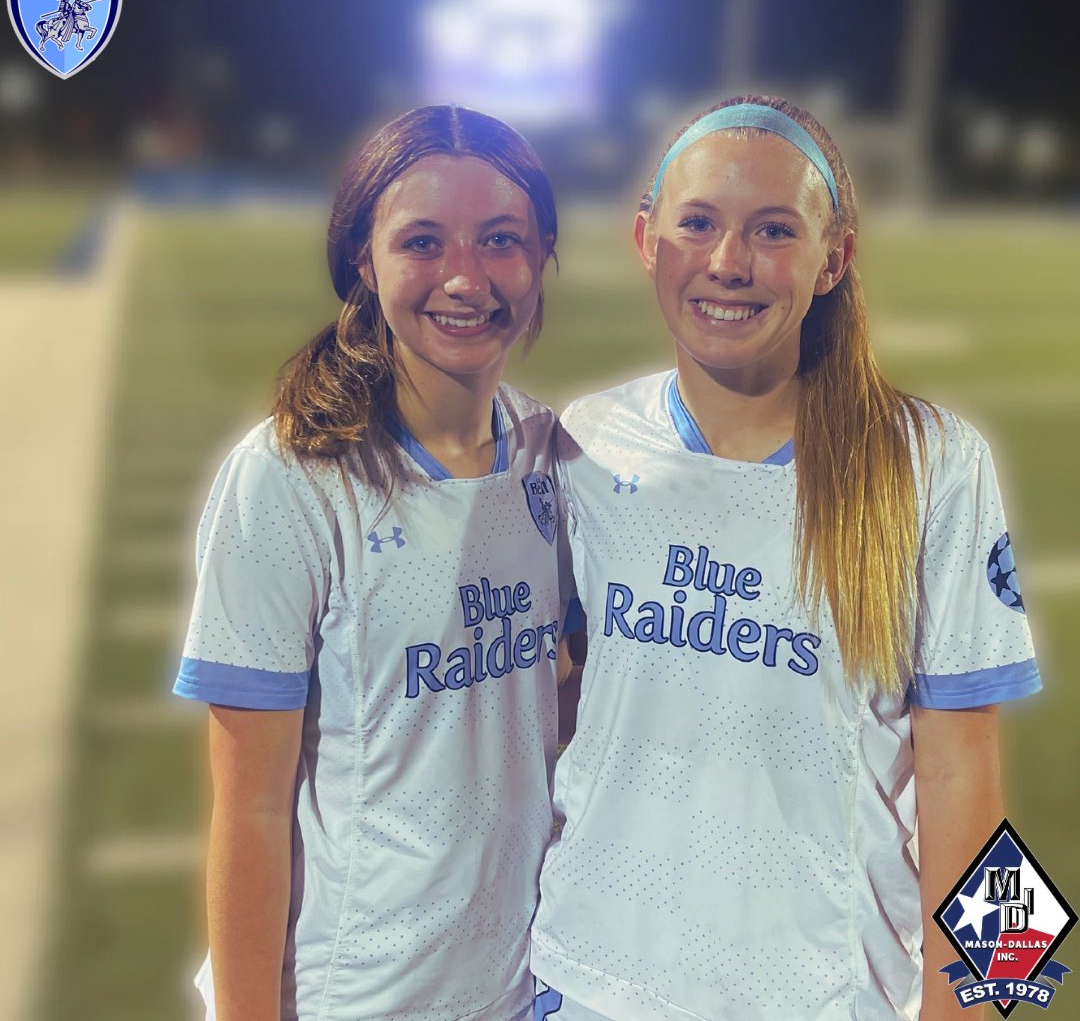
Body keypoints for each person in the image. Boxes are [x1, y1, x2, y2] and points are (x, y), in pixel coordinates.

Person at [529, 95, 1041, 1020]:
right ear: (647, 238)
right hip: (596, 977)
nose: (728, 262)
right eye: (698, 223)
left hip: (830, 994)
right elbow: (560, 703)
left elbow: (965, 766)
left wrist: (994, 1000)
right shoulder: (585, 443)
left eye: (774, 230)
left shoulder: (930, 460)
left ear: (834, 257)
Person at [173, 104, 568, 1020]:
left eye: (501, 240)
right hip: (359, 995)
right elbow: (250, 812)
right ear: (364, 259)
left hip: (520, 990)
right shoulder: (290, 478)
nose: (465, 278)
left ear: (541, 253)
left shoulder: (555, 455)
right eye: (423, 241)